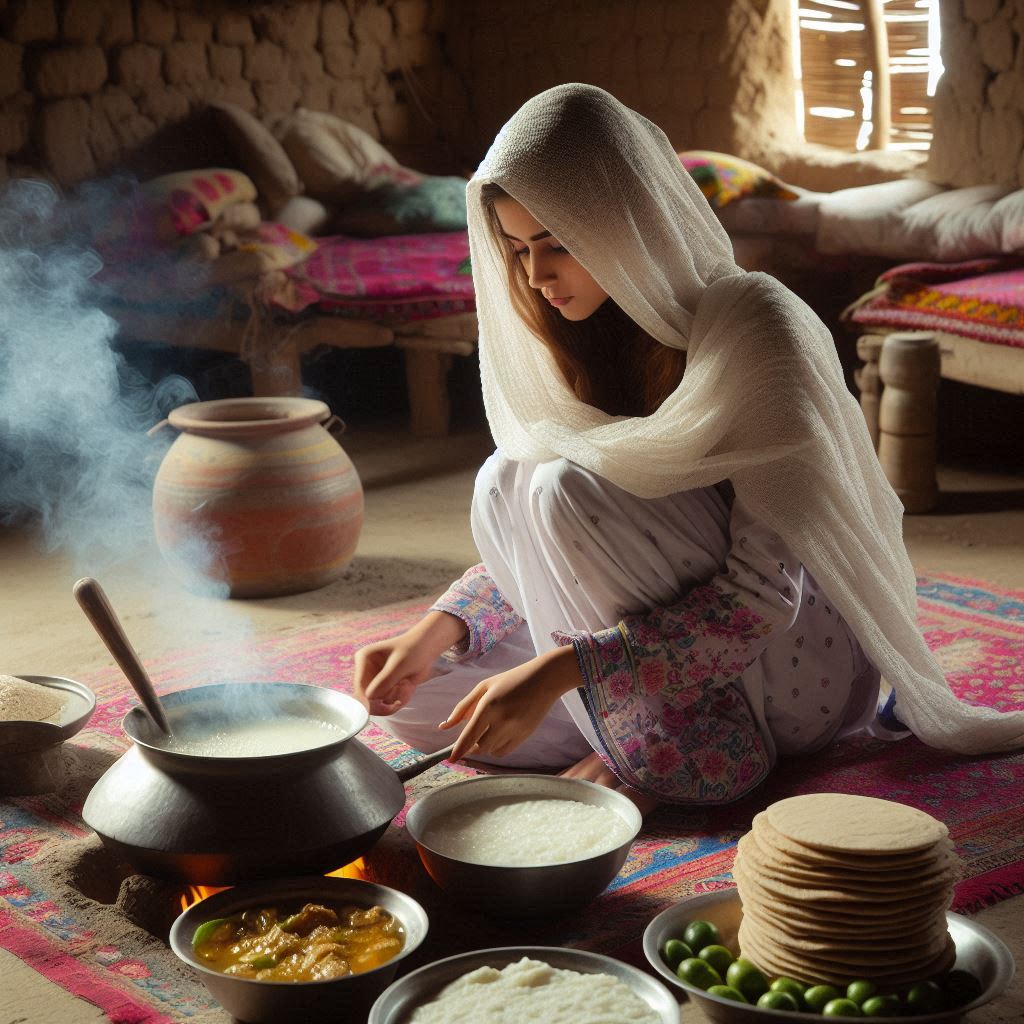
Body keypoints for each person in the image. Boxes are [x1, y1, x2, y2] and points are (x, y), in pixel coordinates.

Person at [353, 84, 1024, 810]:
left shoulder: (757, 325)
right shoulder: (583, 335)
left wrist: (557, 674)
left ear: (627, 221)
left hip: (801, 666)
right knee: (431, 700)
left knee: (559, 488)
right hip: (673, 647)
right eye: (518, 250)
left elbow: (762, 595)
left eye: (559, 245)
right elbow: (558, 559)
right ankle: (629, 730)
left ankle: (677, 746)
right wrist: (436, 632)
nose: (537, 277)